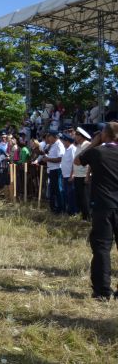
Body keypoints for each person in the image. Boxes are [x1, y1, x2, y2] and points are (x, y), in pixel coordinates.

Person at [74, 122, 118, 301]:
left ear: (104, 135)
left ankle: (102, 290)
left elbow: (78, 160)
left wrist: (95, 142)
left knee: (102, 247)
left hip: (104, 205)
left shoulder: (97, 151)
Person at [72, 127, 92, 221]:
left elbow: (90, 163)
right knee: (79, 197)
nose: (75, 136)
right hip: (77, 175)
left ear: (81, 136)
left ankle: (87, 218)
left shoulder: (88, 145)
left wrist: (87, 175)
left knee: (85, 198)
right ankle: (83, 216)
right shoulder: (78, 146)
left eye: (77, 134)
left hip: (84, 175)